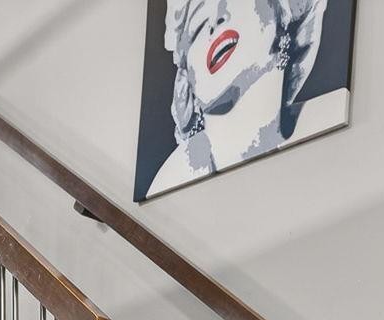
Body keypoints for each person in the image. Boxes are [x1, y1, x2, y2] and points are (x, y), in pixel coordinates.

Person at [147, 0, 345, 198]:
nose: (214, 21)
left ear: (282, 16)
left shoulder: (331, 115)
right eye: (197, 27)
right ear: (187, 81)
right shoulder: (171, 180)